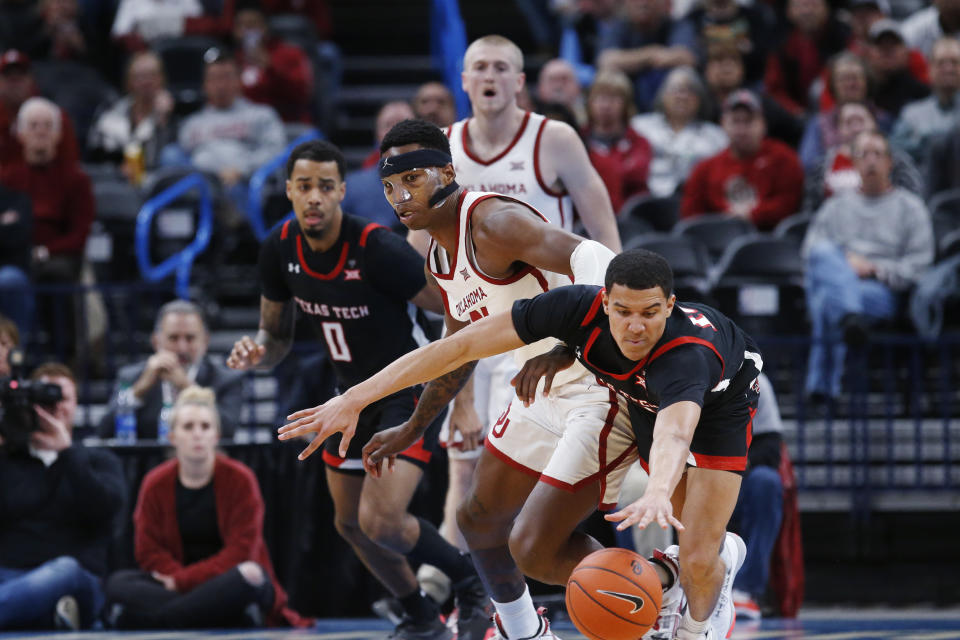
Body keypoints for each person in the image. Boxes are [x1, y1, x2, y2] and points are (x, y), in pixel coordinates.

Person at [281, 248, 761, 640]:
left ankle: (698, 619)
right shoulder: (576, 307)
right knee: (543, 549)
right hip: (646, 403)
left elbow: (677, 432)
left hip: (718, 409)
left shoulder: (686, 356)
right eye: (623, 312)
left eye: (651, 314)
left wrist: (657, 489)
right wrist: (356, 396)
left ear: (670, 306)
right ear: (604, 302)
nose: (636, 326)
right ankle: (672, 577)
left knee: (701, 557)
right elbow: (459, 346)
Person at [285, 119, 638, 640]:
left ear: (448, 172)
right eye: (389, 186)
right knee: (477, 523)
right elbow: (454, 353)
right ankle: (527, 632)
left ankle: (673, 583)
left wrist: (566, 347)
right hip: (536, 389)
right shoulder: (438, 254)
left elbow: (599, 260)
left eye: (413, 179)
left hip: (594, 377)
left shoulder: (494, 221)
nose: (400, 196)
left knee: (534, 542)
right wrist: (413, 428)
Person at [226, 139, 487, 640]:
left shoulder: (376, 249)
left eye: (326, 186)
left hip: (405, 391)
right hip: (350, 396)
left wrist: (460, 395)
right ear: (289, 192)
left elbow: (458, 308)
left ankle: (470, 582)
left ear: (342, 191)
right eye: (305, 187)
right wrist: (258, 351)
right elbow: (276, 335)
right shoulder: (279, 248)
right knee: (349, 523)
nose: (315, 197)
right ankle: (418, 613)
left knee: (382, 520)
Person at [424, 36, 622, 586]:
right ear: (463, 81)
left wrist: (620, 310)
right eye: (479, 67)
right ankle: (465, 591)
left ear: (519, 81)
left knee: (604, 477)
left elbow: (603, 233)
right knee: (465, 468)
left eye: (501, 67)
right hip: (478, 324)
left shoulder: (553, 138)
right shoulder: (443, 148)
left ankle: (660, 576)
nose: (489, 75)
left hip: (549, 329)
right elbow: (432, 256)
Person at [104, 386, 311, 629]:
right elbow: (148, 551)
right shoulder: (155, 483)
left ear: (216, 435)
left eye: (205, 427)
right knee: (117, 583)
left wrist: (182, 582)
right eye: (188, 427)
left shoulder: (240, 479)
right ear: (172, 437)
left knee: (250, 575)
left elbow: (241, 552)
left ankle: (154, 619)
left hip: (226, 579)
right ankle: (214, 614)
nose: (197, 434)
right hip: (184, 583)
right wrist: (181, 580)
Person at [802, 131, 934, 402]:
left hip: (882, 291)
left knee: (828, 299)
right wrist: (846, 266)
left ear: (890, 162)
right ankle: (850, 319)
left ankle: (822, 391)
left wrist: (873, 269)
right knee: (824, 254)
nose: (871, 161)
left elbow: (920, 266)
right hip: (846, 288)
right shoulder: (835, 207)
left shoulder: (911, 208)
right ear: (854, 163)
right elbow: (811, 255)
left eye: (878, 154)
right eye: (863, 155)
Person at [0, 362, 125, 630]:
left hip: (75, 577)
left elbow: (104, 510)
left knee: (65, 570)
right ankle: (47, 614)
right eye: (42, 398)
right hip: (10, 575)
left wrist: (67, 453)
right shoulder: (8, 461)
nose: (54, 407)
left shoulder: (98, 460)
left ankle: (42, 610)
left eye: (61, 398)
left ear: (76, 404)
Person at [99, 300, 244, 440]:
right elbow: (104, 432)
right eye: (173, 338)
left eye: (190, 338)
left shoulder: (225, 379)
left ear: (205, 341)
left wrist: (187, 387)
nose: (182, 348)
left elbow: (228, 431)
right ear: (156, 341)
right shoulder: (132, 376)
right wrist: (138, 390)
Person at [166, 49, 285, 212]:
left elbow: (276, 153)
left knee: (232, 190)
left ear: (238, 80)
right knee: (170, 155)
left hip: (242, 186)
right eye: (214, 78)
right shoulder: (191, 124)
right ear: (205, 85)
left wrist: (242, 170)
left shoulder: (261, 115)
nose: (220, 85)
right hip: (200, 188)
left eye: (226, 77)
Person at [0, 97, 93, 287]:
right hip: (11, 258)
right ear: (20, 133)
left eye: (48, 125)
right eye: (33, 126)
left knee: (55, 272)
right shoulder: (6, 178)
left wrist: (44, 251)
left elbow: (80, 234)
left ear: (59, 134)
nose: (41, 131)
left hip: (56, 259)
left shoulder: (77, 179)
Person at [681, 89, 804, 231]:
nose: (741, 129)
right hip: (718, 240)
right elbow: (691, 217)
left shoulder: (784, 159)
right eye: (735, 121)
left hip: (769, 237)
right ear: (723, 124)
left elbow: (789, 205)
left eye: (748, 121)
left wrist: (753, 214)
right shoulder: (705, 169)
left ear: (763, 124)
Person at [729, 373, 783, 621]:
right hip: (692, 475)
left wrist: (731, 463)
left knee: (767, 482)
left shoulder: (756, 379)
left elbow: (771, 448)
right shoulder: (682, 369)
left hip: (736, 478)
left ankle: (745, 589)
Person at [803, 101, 922, 212]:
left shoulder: (896, 159)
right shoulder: (823, 164)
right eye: (848, 122)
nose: (856, 128)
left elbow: (912, 198)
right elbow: (812, 210)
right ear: (839, 129)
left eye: (861, 121)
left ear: (875, 124)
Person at [630, 66, 728, 198]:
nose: (682, 96)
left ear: (700, 98)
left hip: (694, 202)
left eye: (690, 90)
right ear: (663, 95)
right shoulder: (639, 127)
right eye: (676, 89)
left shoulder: (716, 136)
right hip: (644, 199)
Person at [595, 0, 698, 112]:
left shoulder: (677, 25)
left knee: (681, 75)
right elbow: (606, 61)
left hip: (665, 102)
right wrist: (651, 53)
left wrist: (631, 61)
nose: (643, 3)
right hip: (628, 104)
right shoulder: (619, 26)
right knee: (609, 76)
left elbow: (687, 57)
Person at [87, 50, 176, 177]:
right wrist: (118, 169)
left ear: (162, 79)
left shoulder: (171, 116)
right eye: (140, 76)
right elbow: (95, 156)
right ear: (129, 81)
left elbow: (163, 160)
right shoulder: (111, 113)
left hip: (153, 183)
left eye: (152, 75)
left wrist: (162, 121)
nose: (147, 81)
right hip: (113, 180)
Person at [763, 0, 851, 116]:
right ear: (789, 11)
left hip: (838, 111)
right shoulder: (781, 43)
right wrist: (796, 111)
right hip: (795, 116)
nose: (807, 11)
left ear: (826, 9)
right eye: (801, 5)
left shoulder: (843, 37)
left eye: (813, 5)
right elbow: (774, 89)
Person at [582, 70, 652, 213]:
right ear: (589, 102)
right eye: (600, 98)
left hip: (630, 217)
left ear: (626, 104)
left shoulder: (639, 142)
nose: (606, 105)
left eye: (613, 98)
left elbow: (637, 175)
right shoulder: (578, 138)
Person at [232, 1, 314, 124]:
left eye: (252, 24)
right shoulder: (231, 61)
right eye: (241, 25)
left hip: (286, 122)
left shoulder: (290, 54)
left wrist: (270, 68)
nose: (246, 31)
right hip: (242, 126)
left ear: (265, 27)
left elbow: (302, 94)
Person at [0, 49, 79, 166]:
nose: (15, 84)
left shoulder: (53, 116)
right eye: (9, 78)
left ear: (31, 80)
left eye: (20, 77)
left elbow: (71, 165)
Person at [890, 38, 960, 165]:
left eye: (954, 62)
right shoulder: (911, 114)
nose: (948, 68)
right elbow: (895, 153)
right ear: (930, 70)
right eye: (941, 63)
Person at [862, 20, 930, 119]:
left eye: (894, 44)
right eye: (880, 44)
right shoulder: (861, 92)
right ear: (868, 52)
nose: (887, 50)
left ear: (906, 52)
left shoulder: (922, 95)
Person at [0, 185, 32, 335]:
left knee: (8, 280)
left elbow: (18, 237)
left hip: (10, 267)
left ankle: (16, 351)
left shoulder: (18, 199)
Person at [535, 58, 586, 126]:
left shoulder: (589, 119)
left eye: (564, 79)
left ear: (578, 86)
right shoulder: (530, 119)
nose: (558, 86)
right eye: (553, 80)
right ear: (540, 87)